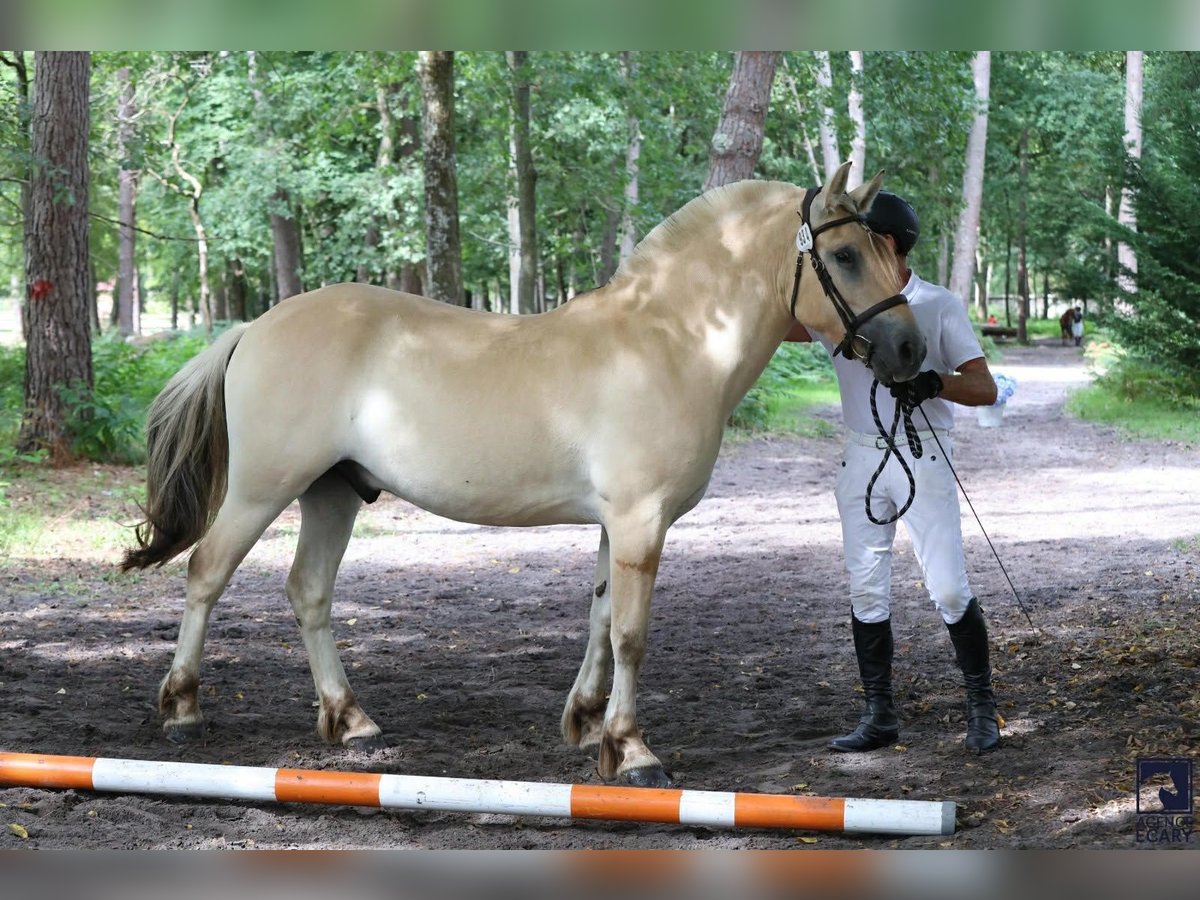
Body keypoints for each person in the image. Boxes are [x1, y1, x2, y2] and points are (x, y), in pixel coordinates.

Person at [786, 190, 1002, 754]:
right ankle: (879, 715)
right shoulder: (843, 302)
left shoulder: (937, 304)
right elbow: (780, 321)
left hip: (924, 454)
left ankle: (983, 709)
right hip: (861, 456)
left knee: (950, 589)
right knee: (866, 590)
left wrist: (934, 382)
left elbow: (985, 386)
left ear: (883, 242)